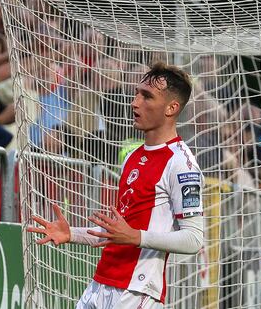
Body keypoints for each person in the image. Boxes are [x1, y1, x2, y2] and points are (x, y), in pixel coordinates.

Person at [27, 62, 204, 309]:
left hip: (137, 292)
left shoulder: (181, 164)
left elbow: (194, 239)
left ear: (171, 108)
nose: (135, 102)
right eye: (137, 93)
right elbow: (117, 233)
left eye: (147, 96)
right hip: (100, 284)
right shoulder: (132, 156)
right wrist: (72, 234)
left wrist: (136, 237)